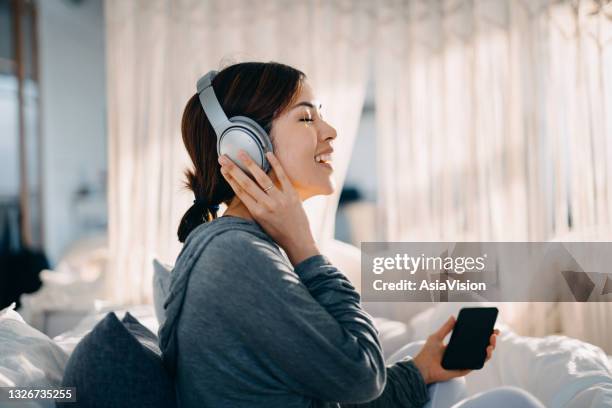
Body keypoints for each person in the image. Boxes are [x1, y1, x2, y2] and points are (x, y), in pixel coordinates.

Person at [158, 62, 544, 408]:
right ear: (246, 147)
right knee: (516, 403)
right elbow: (362, 377)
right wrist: (305, 248)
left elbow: (328, 391)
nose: (331, 131)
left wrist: (421, 370)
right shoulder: (236, 255)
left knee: (463, 383)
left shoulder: (238, 245)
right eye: (307, 119)